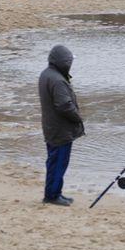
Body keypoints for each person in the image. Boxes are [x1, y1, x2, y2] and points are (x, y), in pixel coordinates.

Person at [38, 44, 83, 205]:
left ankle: (55, 192)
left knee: (54, 161)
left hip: (52, 127)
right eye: (69, 61)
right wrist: (78, 117)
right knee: (58, 163)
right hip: (60, 130)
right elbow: (64, 105)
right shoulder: (57, 80)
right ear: (62, 62)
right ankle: (52, 195)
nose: (70, 64)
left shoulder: (47, 74)